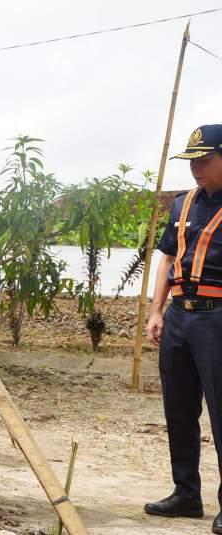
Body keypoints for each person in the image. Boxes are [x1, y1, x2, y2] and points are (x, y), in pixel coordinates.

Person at [145, 124, 222, 534]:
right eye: (192, 160)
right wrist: (157, 311)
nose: (196, 168)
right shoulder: (183, 203)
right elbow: (164, 258)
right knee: (179, 409)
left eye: (205, 160)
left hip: (218, 317)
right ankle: (186, 493)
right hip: (179, 315)